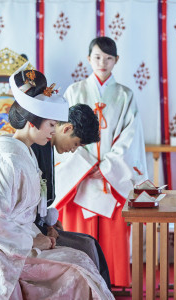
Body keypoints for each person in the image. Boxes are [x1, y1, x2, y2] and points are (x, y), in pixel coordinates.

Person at [0, 63, 114, 299]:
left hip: (24, 239)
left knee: (84, 258)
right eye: (51, 125)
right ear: (32, 123)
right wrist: (33, 239)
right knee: (80, 269)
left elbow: (23, 212)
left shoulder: (27, 153)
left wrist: (39, 231)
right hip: (7, 250)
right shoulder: (8, 162)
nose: (54, 131)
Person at [52, 36, 148, 287]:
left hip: (111, 177)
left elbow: (131, 137)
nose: (102, 62)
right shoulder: (74, 91)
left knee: (112, 235)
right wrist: (85, 166)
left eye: (108, 58)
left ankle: (113, 284)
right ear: (88, 59)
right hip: (79, 178)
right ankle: (78, 284)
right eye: (97, 57)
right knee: (76, 235)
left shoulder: (125, 95)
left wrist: (106, 167)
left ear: (116, 60)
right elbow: (64, 132)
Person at [31, 103, 111, 289]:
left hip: (40, 227)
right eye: (76, 144)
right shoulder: (36, 147)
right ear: (66, 128)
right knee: (87, 248)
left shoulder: (46, 146)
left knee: (91, 244)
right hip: (29, 234)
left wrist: (49, 223)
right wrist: (44, 228)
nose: (74, 150)